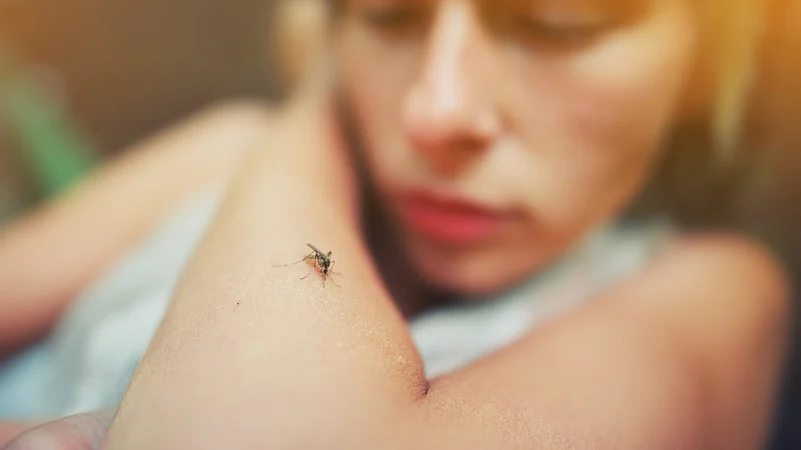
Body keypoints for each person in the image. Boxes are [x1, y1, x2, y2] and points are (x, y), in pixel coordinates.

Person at [0, 0, 792, 448]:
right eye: (387, 14)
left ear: (703, 66)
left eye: (559, 21)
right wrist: (317, 99)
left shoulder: (711, 290)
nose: (437, 110)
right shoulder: (225, 151)